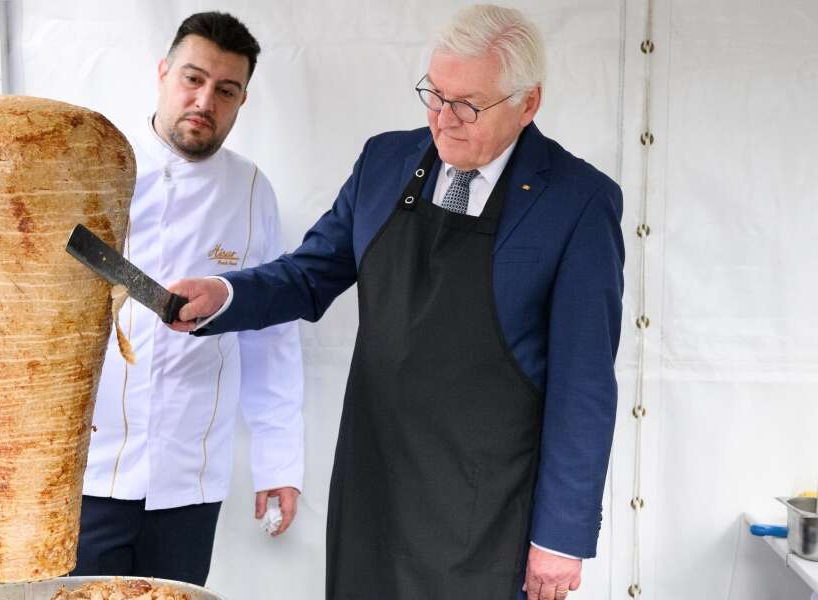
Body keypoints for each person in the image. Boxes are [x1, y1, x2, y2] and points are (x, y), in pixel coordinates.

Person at [169, 5, 624, 599]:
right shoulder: (386, 162)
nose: (443, 119)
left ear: (527, 103)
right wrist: (225, 295)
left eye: (466, 105)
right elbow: (309, 275)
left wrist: (559, 540)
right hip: (375, 487)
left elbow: (584, 385)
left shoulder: (577, 202)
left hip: (486, 513)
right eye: (434, 95)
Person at [76, 11, 305, 586]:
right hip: (88, 469)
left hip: (189, 476)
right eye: (192, 79)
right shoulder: (94, 170)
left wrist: (279, 464)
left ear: (242, 100)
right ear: (162, 73)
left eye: (225, 90)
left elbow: (270, 333)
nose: (205, 100)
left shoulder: (252, 190)